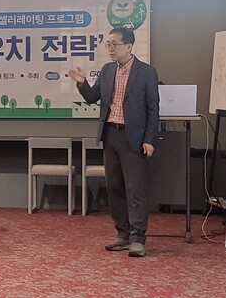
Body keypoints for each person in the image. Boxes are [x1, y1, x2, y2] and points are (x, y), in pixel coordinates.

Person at [69, 28, 160, 258]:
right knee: (114, 187)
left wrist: (149, 139)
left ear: (128, 46)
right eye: (108, 44)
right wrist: (82, 84)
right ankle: (123, 234)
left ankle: (138, 238)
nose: (110, 49)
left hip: (134, 137)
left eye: (114, 44)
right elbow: (93, 97)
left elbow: (153, 109)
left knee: (135, 188)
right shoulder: (107, 70)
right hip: (110, 135)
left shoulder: (146, 72)